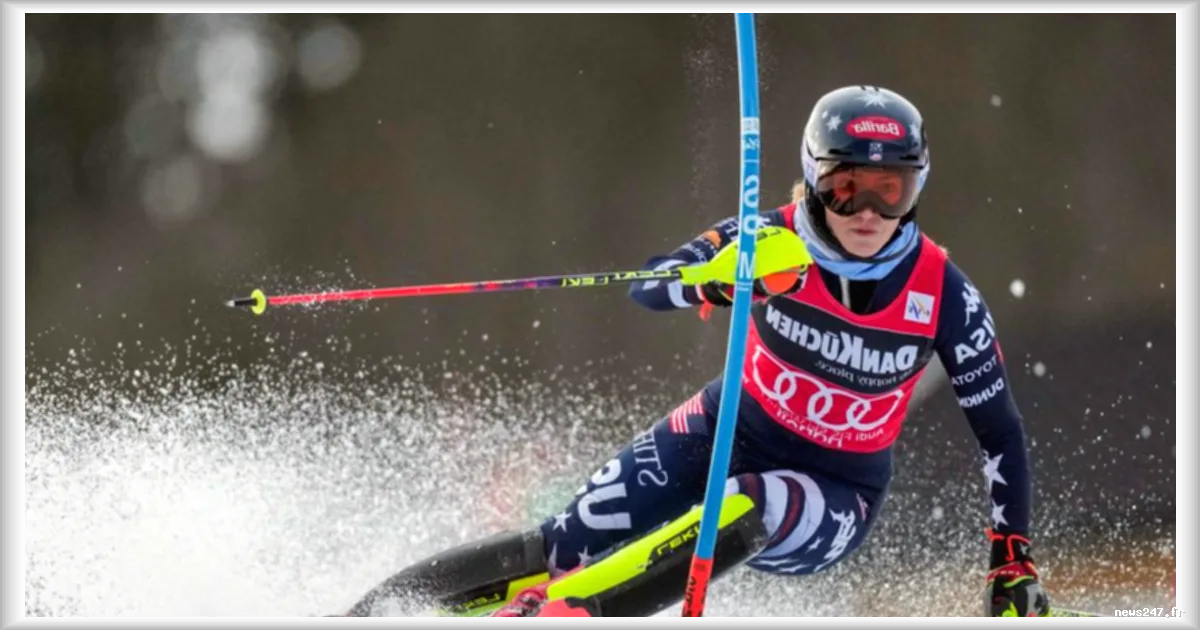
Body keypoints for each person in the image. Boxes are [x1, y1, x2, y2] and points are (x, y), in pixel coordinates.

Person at [337, 85, 1051, 618]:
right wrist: (716, 278)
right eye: (846, 188)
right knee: (564, 544)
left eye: (890, 192)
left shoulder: (944, 294)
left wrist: (1010, 560)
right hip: (724, 428)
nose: (867, 212)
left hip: (835, 491)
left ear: (917, 188)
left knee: (745, 505)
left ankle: (569, 614)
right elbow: (648, 286)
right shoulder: (769, 239)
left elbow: (1000, 433)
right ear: (815, 177)